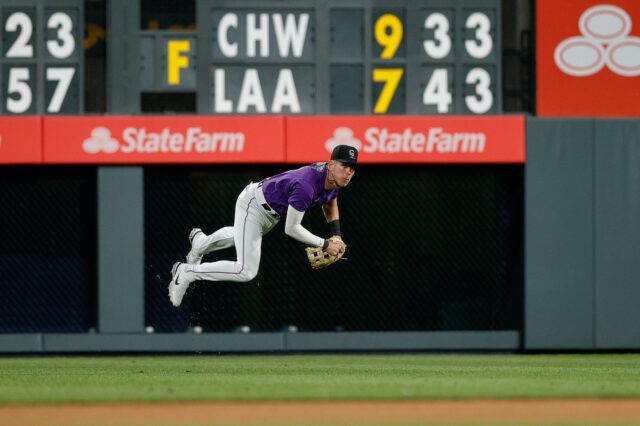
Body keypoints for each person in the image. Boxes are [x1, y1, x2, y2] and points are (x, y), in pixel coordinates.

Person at [168, 144, 358, 307]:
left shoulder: (332, 179)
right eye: (344, 166)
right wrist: (325, 243)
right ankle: (186, 272)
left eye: (352, 168)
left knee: (238, 236)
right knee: (246, 271)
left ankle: (200, 243)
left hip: (269, 213)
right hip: (254, 205)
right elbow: (291, 228)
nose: (348, 172)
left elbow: (330, 202)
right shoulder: (306, 186)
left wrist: (336, 234)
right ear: (331, 164)